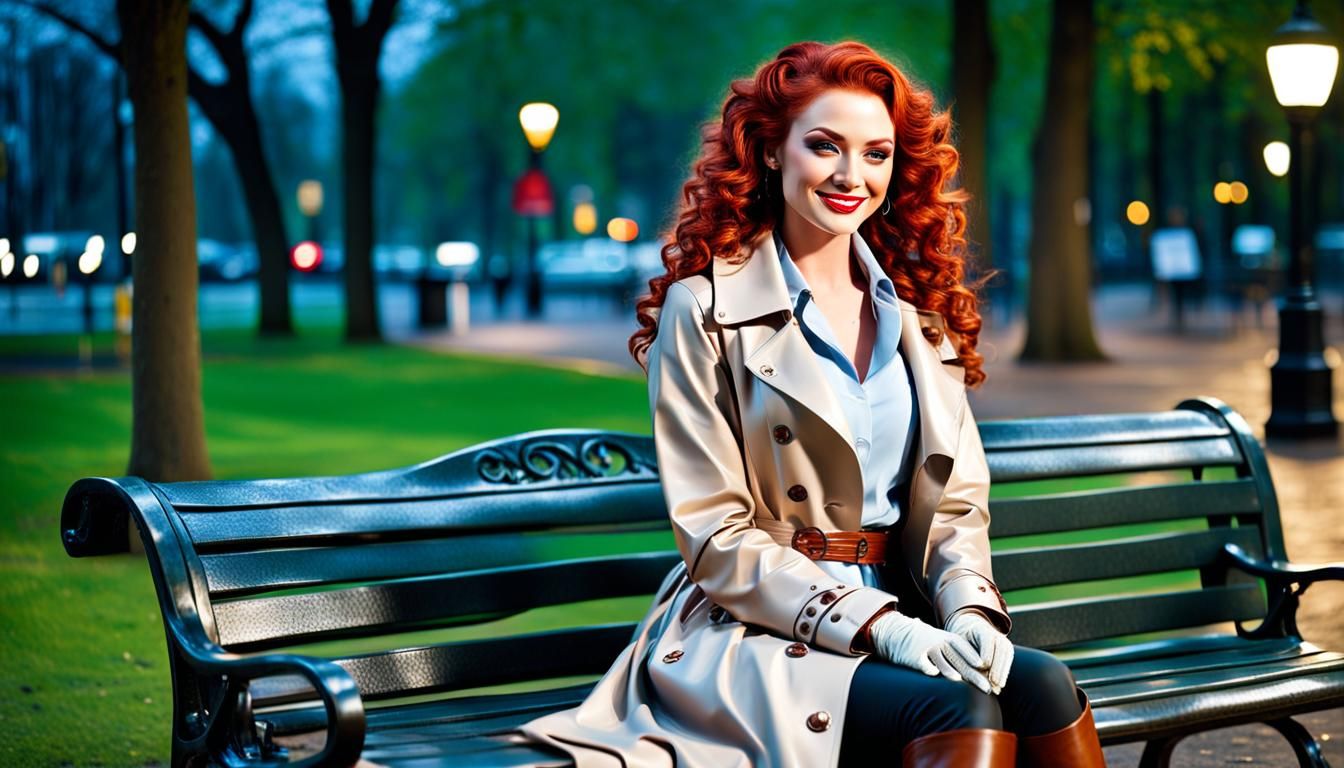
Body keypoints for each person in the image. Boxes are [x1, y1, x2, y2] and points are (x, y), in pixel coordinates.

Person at [519, 41, 1106, 767]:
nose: (851, 176)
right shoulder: (703, 310)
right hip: (757, 630)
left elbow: (955, 508)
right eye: (825, 146)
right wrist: (883, 629)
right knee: (957, 702)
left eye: (876, 154)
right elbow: (716, 536)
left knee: (1043, 684)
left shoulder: (921, 321)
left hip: (914, 606)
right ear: (771, 150)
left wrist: (969, 610)